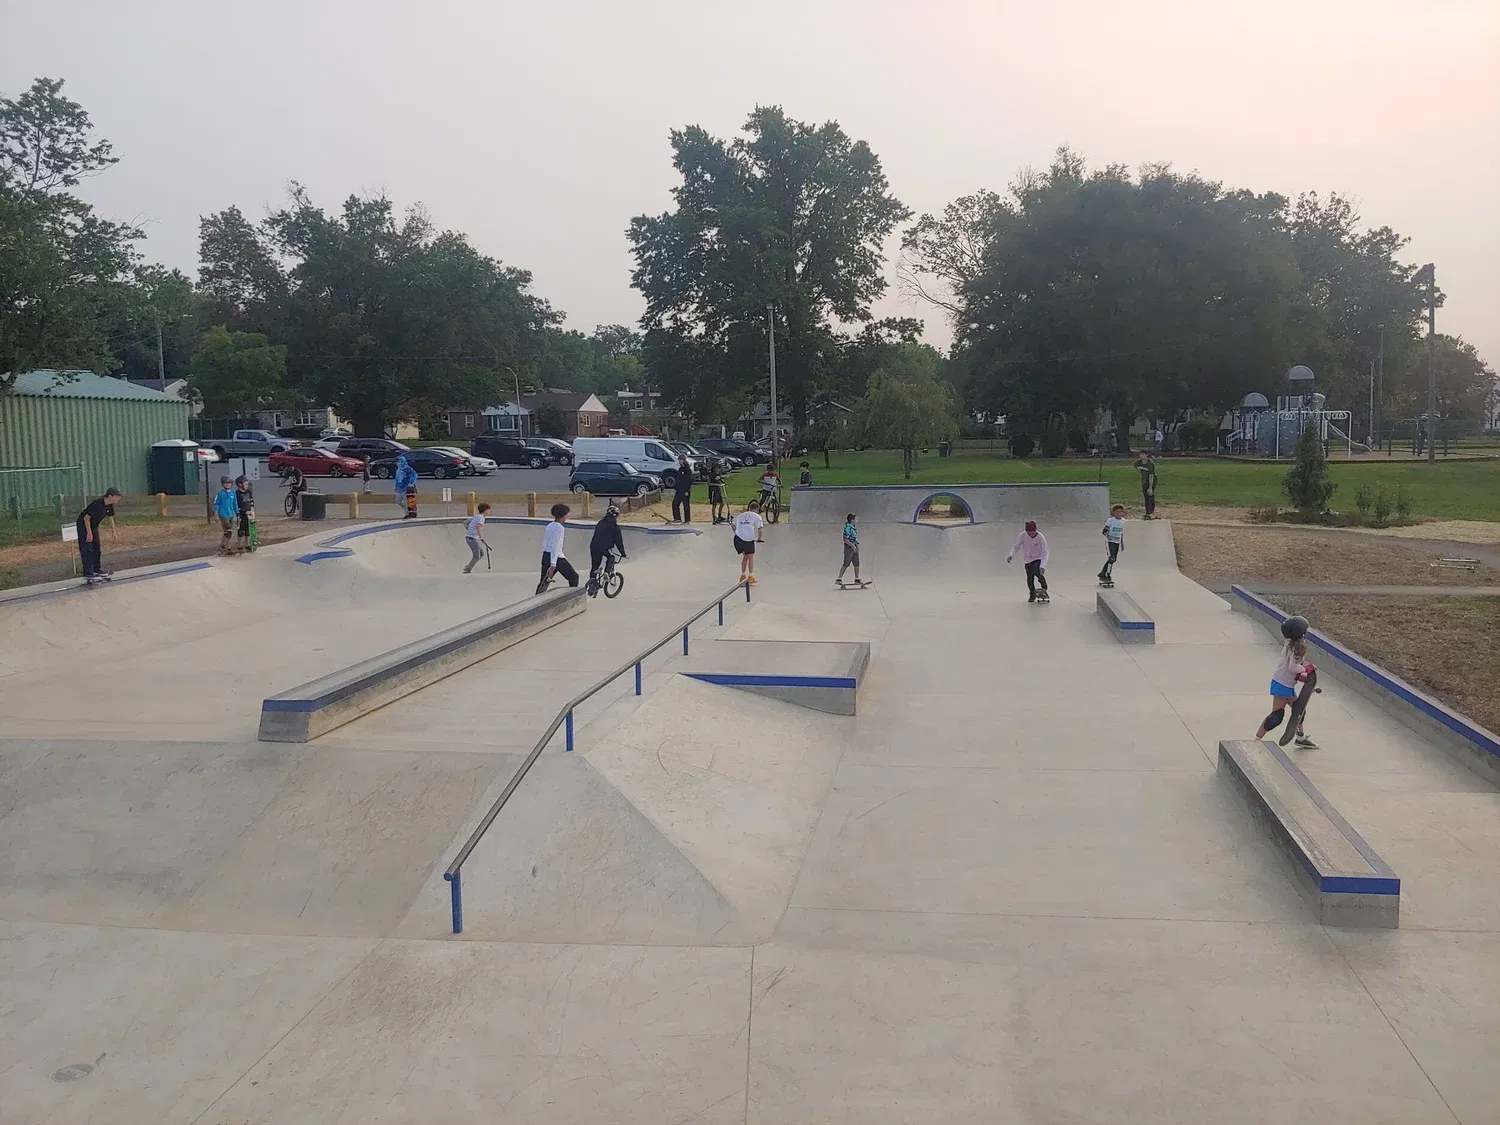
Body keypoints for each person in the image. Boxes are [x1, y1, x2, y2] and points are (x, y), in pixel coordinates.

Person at [1256, 615, 1318, 747]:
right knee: (1276, 716)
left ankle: (1300, 738)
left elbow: (1288, 667)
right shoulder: (1298, 648)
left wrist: (1299, 676)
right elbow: (1292, 667)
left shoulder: (1290, 644)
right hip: (1282, 685)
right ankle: (1256, 740)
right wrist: (1306, 668)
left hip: (1284, 683)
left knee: (1299, 711)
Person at [75, 487, 121, 580]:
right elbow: (86, 518)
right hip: (84, 525)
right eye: (116, 496)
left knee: (97, 547)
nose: (118, 499)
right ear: (110, 496)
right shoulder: (97, 504)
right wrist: (89, 533)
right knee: (87, 548)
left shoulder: (109, 505)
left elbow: (110, 517)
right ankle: (88, 572)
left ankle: (97, 569)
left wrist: (114, 532)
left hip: (94, 526)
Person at [536, 502, 579, 593]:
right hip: (557, 558)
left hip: (546, 556)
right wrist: (553, 564)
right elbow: (555, 545)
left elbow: (546, 543)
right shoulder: (560, 528)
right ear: (563, 516)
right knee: (574, 577)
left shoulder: (550, 525)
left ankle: (536, 601)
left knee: (543, 583)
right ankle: (571, 599)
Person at [588, 502, 628, 594]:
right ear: (616, 515)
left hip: (594, 546)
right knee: (611, 557)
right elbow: (619, 541)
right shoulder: (615, 526)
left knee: (594, 566)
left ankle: (591, 585)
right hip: (605, 547)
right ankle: (606, 572)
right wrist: (623, 553)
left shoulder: (600, 522)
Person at [1006, 520, 1050, 602]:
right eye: (1028, 533)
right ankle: (1032, 593)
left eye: (1032, 533)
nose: (1030, 535)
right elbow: (1016, 546)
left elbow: (1045, 552)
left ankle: (1044, 587)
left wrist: (1043, 566)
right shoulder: (1022, 535)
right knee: (1030, 578)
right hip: (1027, 559)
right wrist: (1011, 555)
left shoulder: (1041, 538)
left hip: (1038, 558)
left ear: (1035, 530)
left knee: (1037, 572)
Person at [733, 500, 765, 584]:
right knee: (750, 557)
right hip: (748, 539)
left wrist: (737, 532)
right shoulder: (757, 516)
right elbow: (760, 529)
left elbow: (733, 525)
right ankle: (750, 576)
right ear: (757, 509)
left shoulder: (741, 515)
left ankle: (743, 575)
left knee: (745, 557)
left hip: (738, 538)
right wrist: (759, 538)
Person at [1098, 504, 1126, 583]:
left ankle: (1102, 573)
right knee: (1112, 558)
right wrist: (1108, 536)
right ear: (1113, 513)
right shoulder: (1110, 520)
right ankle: (1107, 575)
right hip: (1110, 542)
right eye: (1116, 512)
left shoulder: (1123, 521)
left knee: (1113, 559)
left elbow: (1121, 532)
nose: (1118, 513)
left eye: (1120, 512)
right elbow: (1104, 531)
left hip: (1117, 542)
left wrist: (1122, 543)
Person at [212, 476, 240, 555]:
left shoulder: (233, 493)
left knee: (227, 532)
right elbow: (216, 504)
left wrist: (237, 512)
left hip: (230, 514)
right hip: (223, 515)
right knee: (228, 531)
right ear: (223, 484)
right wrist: (216, 514)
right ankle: (227, 547)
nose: (227, 485)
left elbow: (235, 504)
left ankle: (224, 546)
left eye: (229, 483)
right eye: (226, 483)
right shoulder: (220, 493)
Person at [463, 502, 491, 574]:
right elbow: (478, 527)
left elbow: (465, 522)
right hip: (472, 538)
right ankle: (468, 569)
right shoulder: (481, 518)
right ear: (485, 510)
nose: (489, 511)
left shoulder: (476, 516)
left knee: (481, 553)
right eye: (488, 510)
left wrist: (468, 529)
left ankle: (468, 566)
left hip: (469, 537)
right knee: (477, 556)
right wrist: (481, 538)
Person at [836, 512, 862, 586]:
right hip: (849, 549)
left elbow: (854, 538)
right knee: (846, 563)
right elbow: (845, 539)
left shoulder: (853, 528)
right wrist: (852, 546)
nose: (857, 520)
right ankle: (839, 578)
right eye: (855, 519)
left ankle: (857, 578)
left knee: (857, 564)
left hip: (854, 548)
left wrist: (856, 545)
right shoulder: (848, 528)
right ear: (852, 520)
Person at [234, 475, 256, 553]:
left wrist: (252, 509)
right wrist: (243, 511)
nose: (247, 485)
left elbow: (251, 501)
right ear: (240, 484)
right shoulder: (236, 494)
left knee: (248, 530)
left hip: (249, 513)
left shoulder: (248, 492)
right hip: (242, 514)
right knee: (241, 530)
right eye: (245, 484)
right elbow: (236, 504)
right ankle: (239, 546)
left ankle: (247, 544)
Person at [1133, 451, 1158, 519]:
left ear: (1147, 455)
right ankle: (1148, 512)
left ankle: (1150, 512)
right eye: (1141, 454)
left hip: (1151, 481)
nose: (1142, 456)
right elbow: (1135, 466)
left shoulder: (1150, 464)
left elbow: (1151, 476)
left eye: (1143, 454)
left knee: (1149, 495)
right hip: (1144, 481)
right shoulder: (1138, 462)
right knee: (1146, 496)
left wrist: (1150, 487)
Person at [671, 456, 694, 523]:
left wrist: (687, 490)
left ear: (683, 460)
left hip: (685, 490)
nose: (679, 462)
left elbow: (688, 481)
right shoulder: (680, 469)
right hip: (679, 490)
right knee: (675, 503)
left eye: (680, 460)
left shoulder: (687, 470)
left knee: (686, 505)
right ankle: (677, 518)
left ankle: (687, 520)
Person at [707, 460, 727, 525]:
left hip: (718, 491)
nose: (718, 470)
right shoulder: (711, 475)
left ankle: (719, 516)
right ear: (715, 468)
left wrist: (723, 482)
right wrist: (716, 485)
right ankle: (714, 518)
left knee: (722, 503)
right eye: (718, 468)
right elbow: (709, 483)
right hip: (713, 491)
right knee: (714, 505)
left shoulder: (718, 474)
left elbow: (720, 480)